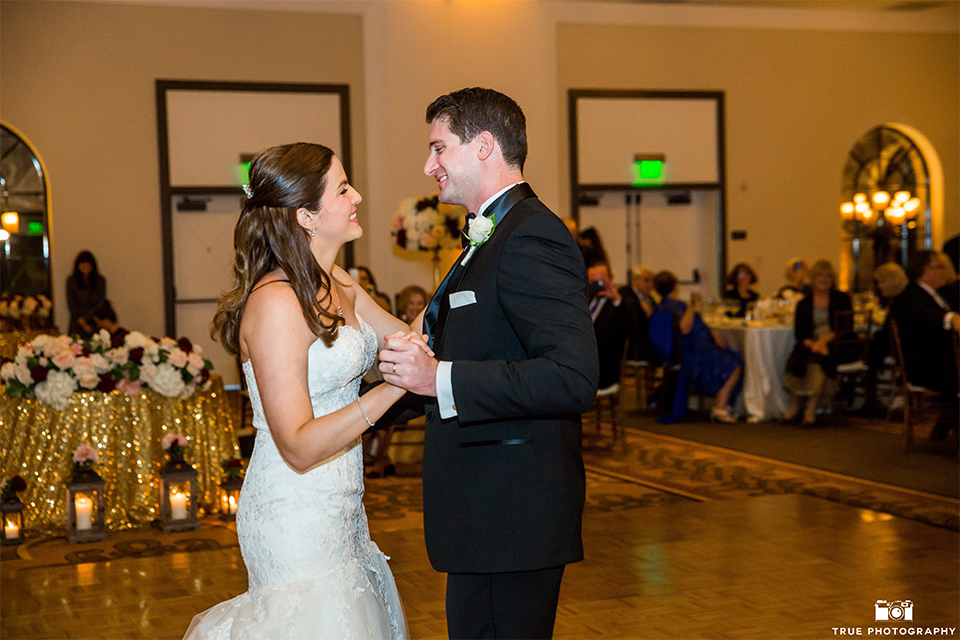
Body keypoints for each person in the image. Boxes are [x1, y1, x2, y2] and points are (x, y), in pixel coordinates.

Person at [379, 87, 598, 640]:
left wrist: (441, 378)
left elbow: (571, 377)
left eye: (438, 148)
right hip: (487, 514)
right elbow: (471, 350)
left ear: (482, 146)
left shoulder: (533, 235)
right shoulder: (491, 234)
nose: (428, 166)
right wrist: (356, 411)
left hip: (512, 514)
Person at [185, 143, 417, 639]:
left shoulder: (343, 283)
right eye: (343, 188)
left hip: (343, 508)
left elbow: (411, 339)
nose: (357, 196)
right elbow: (297, 445)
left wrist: (470, 270)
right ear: (306, 215)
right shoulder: (275, 304)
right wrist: (393, 388)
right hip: (293, 513)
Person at [651, 270, 743, 423]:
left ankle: (724, 404)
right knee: (735, 363)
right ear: (675, 287)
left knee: (733, 356)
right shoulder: (675, 306)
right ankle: (721, 406)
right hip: (693, 355)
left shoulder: (661, 306)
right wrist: (693, 305)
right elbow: (684, 328)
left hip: (685, 352)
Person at [889, 250, 960, 440]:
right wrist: (950, 317)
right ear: (927, 270)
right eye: (940, 267)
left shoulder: (938, 294)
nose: (944, 271)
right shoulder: (908, 296)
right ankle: (949, 420)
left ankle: (947, 420)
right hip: (926, 367)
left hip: (944, 362)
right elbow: (921, 314)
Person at [782, 259, 853, 425]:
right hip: (810, 343)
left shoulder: (842, 299)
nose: (824, 279)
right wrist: (814, 345)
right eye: (820, 275)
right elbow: (800, 334)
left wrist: (823, 341)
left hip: (835, 342)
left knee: (817, 361)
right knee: (796, 359)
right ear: (813, 278)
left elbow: (846, 326)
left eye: (828, 276)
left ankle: (811, 408)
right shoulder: (804, 303)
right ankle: (794, 405)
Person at [587, 261, 628, 390]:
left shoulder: (620, 302)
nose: (598, 285)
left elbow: (631, 328)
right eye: (594, 281)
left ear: (610, 277)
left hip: (603, 366)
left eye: (601, 280)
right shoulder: (586, 300)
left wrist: (616, 298)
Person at [619, 265, 661, 364]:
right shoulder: (625, 295)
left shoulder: (650, 299)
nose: (650, 285)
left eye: (652, 281)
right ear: (635, 280)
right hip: (633, 345)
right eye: (646, 281)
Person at [66, 250, 106, 338]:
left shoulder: (100, 280)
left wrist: (87, 318)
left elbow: (100, 303)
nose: (85, 270)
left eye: (88, 267)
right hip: (77, 322)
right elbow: (71, 303)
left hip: (94, 321)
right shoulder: (72, 281)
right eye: (83, 266)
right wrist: (81, 321)